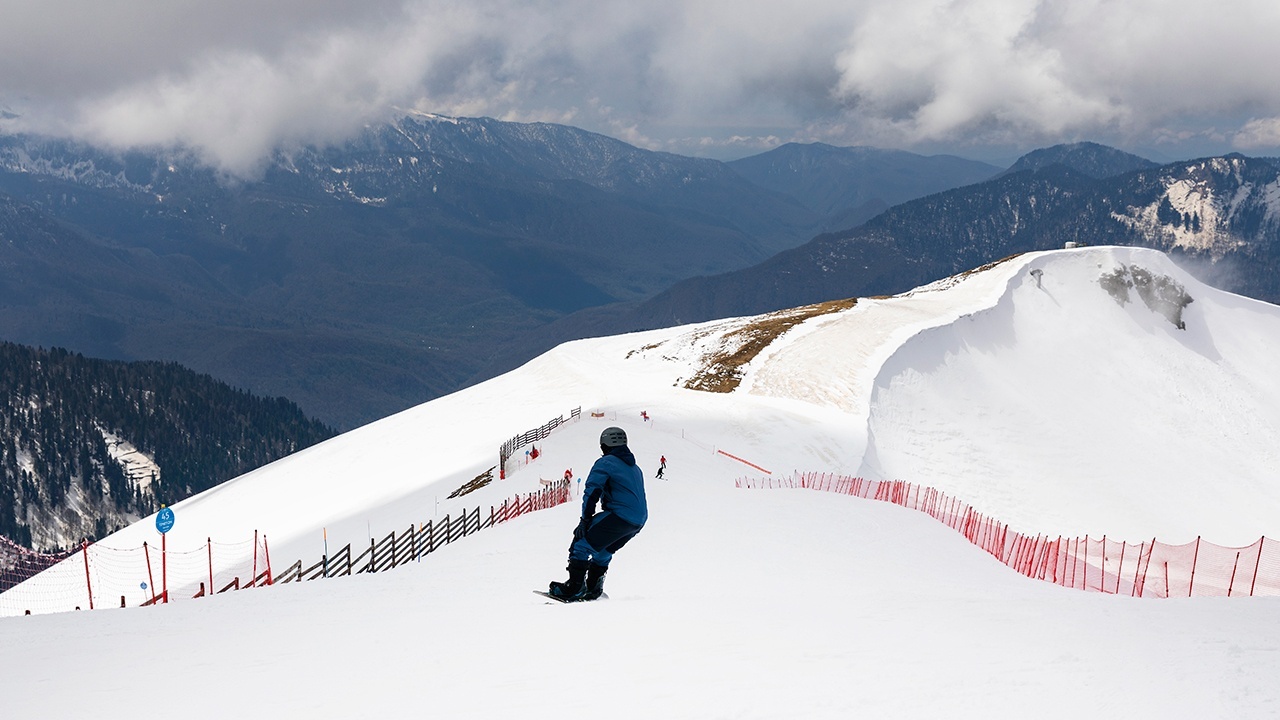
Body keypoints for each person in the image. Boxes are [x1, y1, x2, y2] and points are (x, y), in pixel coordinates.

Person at [548, 426, 647, 601]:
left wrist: (585, 520)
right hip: (638, 521)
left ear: (604, 445)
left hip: (620, 515)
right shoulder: (635, 468)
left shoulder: (606, 463)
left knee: (581, 542)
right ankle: (594, 587)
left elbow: (592, 491)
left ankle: (574, 588)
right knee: (603, 549)